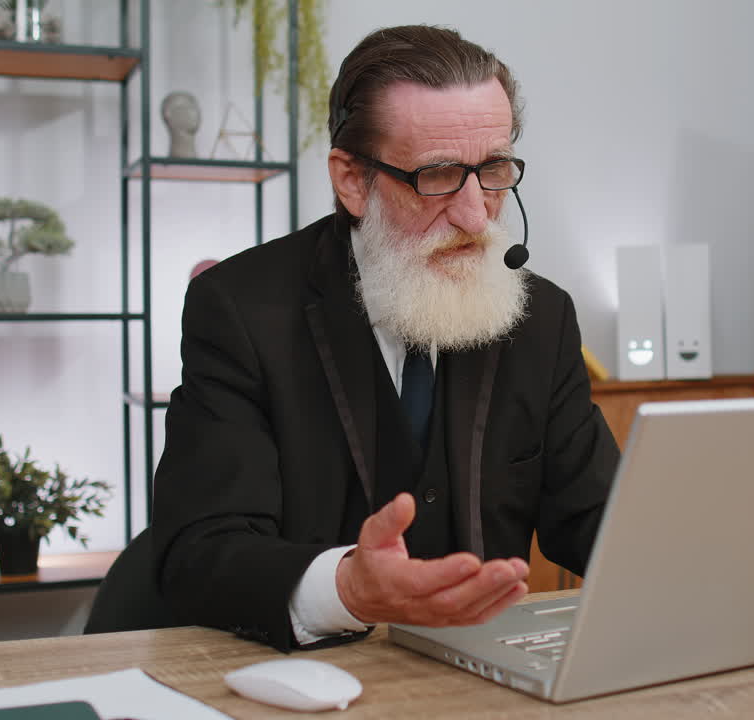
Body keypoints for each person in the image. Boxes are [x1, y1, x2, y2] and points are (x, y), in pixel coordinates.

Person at [151, 25, 619, 652]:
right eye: (439, 175)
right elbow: (198, 553)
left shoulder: (543, 318)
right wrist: (345, 589)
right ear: (351, 179)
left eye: (495, 170)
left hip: (486, 679)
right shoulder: (240, 310)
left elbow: (600, 522)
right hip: (302, 676)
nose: (477, 216)